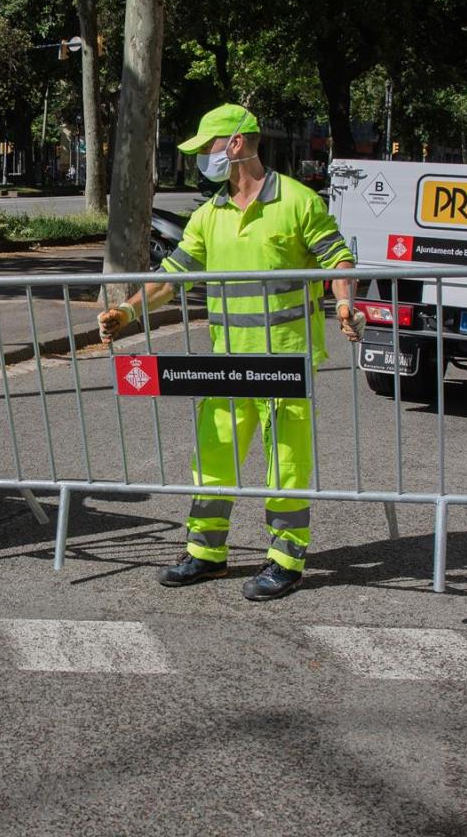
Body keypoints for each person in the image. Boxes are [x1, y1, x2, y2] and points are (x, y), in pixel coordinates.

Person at [97, 104, 361, 601]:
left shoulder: (299, 203)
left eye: (208, 147)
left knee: (286, 463)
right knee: (213, 456)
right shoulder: (208, 215)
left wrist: (345, 302)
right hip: (226, 362)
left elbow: (337, 258)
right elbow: (170, 279)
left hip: (285, 362)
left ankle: (286, 559)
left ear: (235, 144)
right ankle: (206, 553)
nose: (203, 157)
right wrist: (128, 312)